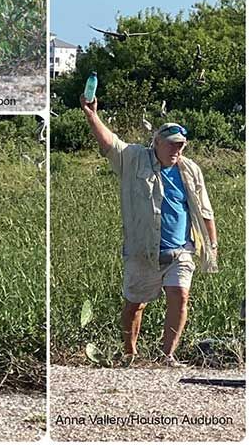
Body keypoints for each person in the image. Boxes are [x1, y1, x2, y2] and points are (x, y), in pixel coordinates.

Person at [80, 96, 218, 366]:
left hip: (181, 250)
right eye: (171, 144)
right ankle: (130, 354)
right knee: (135, 304)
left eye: (181, 145)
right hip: (143, 250)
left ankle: (167, 355)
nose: (176, 150)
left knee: (180, 295)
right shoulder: (134, 159)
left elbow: (204, 210)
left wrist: (212, 245)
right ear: (156, 143)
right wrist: (91, 115)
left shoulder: (190, 170)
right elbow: (110, 142)